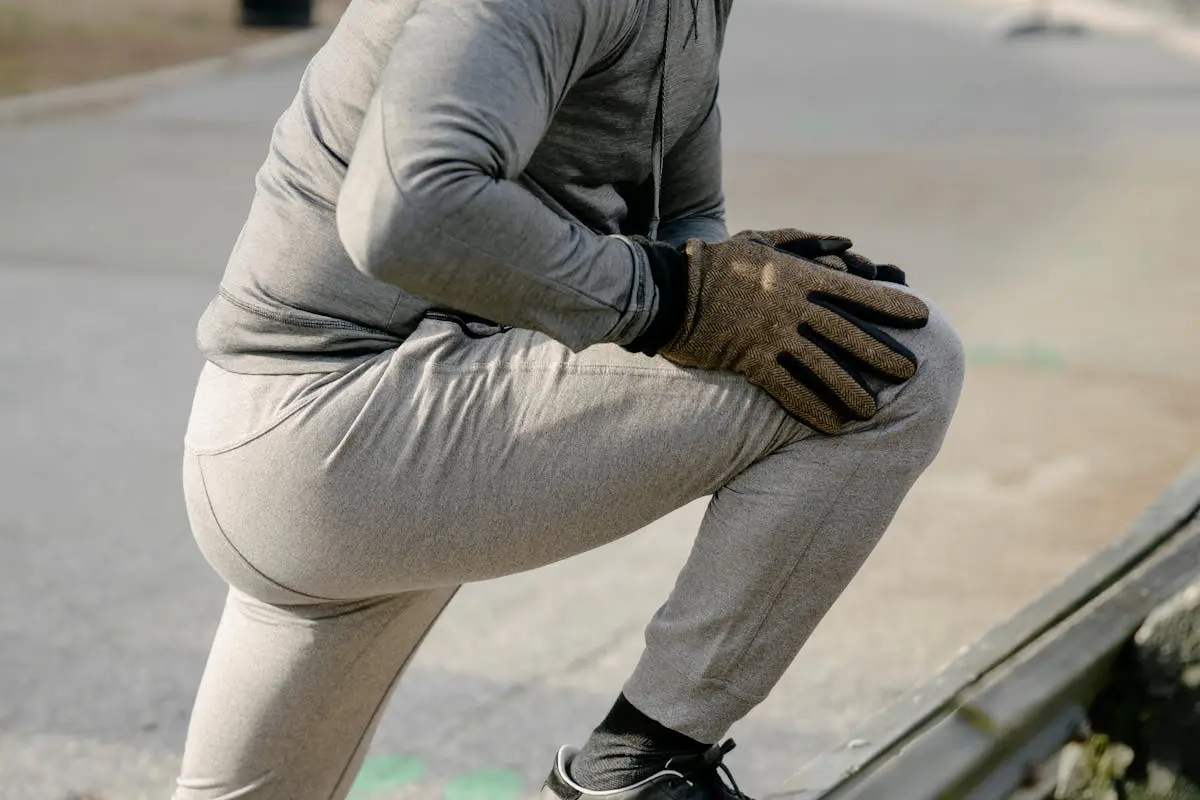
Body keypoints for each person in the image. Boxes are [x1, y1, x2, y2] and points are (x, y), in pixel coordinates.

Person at [175, 0, 965, 797]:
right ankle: (640, 769)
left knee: (828, 329)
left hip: (314, 452)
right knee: (901, 363)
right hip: (338, 435)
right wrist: (675, 297)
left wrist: (738, 277)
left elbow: (682, 227)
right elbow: (406, 208)